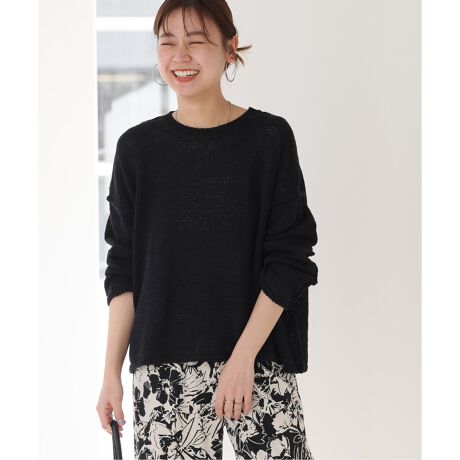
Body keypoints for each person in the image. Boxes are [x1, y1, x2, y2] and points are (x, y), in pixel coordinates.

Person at [96, 1, 319, 459]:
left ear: (229, 47)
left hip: (259, 365)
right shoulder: (136, 151)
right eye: (168, 42)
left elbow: (290, 259)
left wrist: (242, 358)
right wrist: (110, 374)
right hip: (163, 372)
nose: (180, 56)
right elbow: (123, 271)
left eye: (196, 42)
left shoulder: (269, 139)